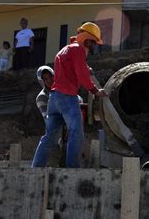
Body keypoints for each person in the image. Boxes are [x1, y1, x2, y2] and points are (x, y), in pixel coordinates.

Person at [34, 22, 107, 168]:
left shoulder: (65, 50)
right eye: (93, 43)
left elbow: (73, 67)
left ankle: (36, 169)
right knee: (76, 133)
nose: (93, 47)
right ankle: (72, 169)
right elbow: (81, 75)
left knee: (49, 138)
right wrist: (95, 91)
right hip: (67, 98)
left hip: (54, 99)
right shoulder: (79, 50)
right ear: (86, 39)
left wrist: (86, 67)